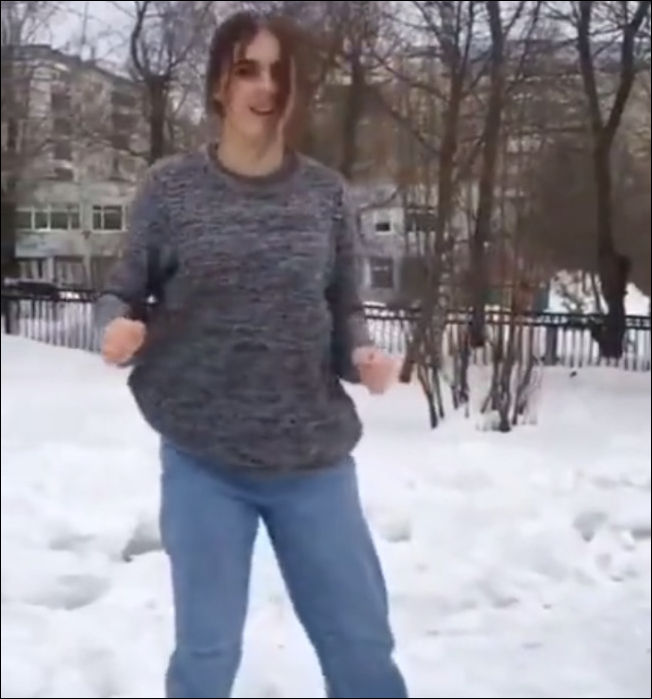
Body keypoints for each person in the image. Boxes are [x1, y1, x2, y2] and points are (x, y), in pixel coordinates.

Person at [95, 10, 408, 699]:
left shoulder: (325, 194)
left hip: (312, 459)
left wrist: (361, 353)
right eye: (246, 70)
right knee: (206, 654)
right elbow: (121, 291)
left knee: (361, 647)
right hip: (204, 457)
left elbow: (343, 306)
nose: (264, 87)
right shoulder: (171, 190)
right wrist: (117, 326)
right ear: (218, 84)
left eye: (277, 72)